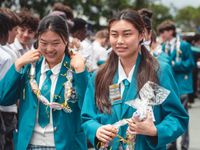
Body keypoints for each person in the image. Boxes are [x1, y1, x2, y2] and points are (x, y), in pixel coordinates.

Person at [81, 9, 189, 150]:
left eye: (127, 34)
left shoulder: (158, 71)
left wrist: (155, 131)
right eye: (114, 35)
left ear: (141, 35)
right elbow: (87, 116)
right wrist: (97, 130)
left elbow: (177, 117)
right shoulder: (100, 75)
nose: (119, 41)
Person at [0, 15, 88, 150]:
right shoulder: (30, 66)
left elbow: (88, 107)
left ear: (66, 40)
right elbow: (4, 98)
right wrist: (17, 65)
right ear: (37, 40)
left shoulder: (76, 67)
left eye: (55, 43)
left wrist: (81, 73)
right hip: (29, 144)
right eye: (44, 43)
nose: (49, 49)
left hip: (66, 144)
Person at [158, 20, 195, 150]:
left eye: (164, 31)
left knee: (182, 116)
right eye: (160, 32)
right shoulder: (162, 47)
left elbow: (191, 63)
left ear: (171, 31)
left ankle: (184, 145)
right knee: (168, 116)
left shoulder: (184, 45)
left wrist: (175, 65)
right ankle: (171, 144)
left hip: (181, 85)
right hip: (167, 86)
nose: (162, 34)